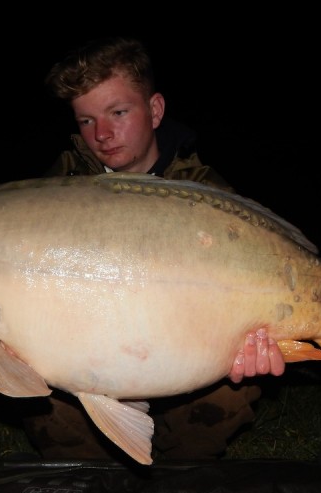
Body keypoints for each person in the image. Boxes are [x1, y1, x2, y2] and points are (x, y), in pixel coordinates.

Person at [23, 36, 285, 461]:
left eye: (118, 113)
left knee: (229, 397)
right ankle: (96, 488)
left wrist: (257, 340)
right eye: (86, 121)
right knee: (40, 403)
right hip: (89, 356)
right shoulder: (57, 191)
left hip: (186, 355)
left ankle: (177, 485)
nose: (102, 134)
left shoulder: (207, 193)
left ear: (156, 110)